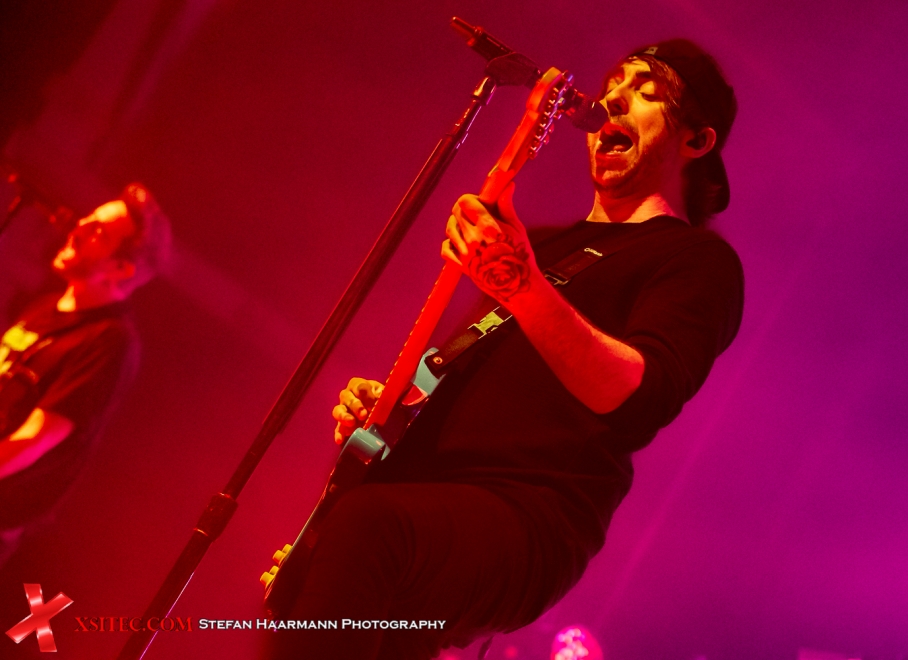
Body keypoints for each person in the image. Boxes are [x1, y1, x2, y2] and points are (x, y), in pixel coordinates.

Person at [271, 39, 744, 659]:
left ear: (697, 141)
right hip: (428, 498)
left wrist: (520, 283)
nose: (613, 99)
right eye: (613, 85)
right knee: (305, 607)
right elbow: (481, 389)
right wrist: (391, 411)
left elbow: (636, 400)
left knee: (371, 528)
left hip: (530, 514)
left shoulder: (696, 261)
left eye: (646, 92)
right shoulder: (541, 245)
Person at [0, 183, 171, 566]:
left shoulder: (111, 342)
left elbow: (35, 439)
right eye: (89, 218)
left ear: (120, 268)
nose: (79, 227)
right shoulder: (46, 307)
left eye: (99, 232)